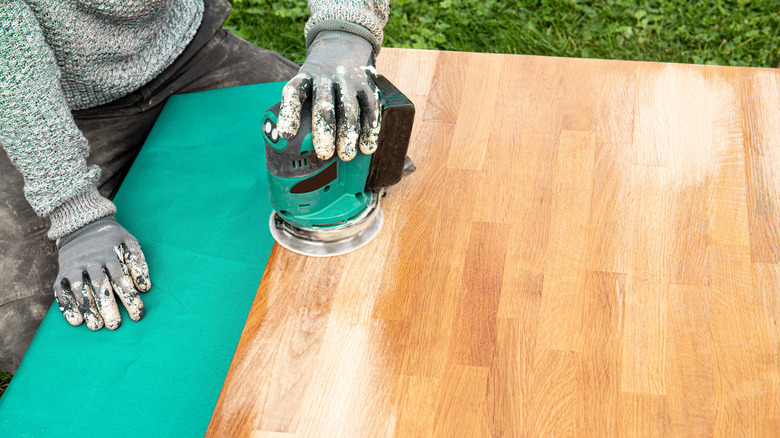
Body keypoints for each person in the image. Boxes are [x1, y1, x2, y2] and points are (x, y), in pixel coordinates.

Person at [0, 0, 389, 373]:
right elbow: (9, 54)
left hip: (185, 53)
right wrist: (75, 214)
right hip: (53, 104)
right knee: (36, 330)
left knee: (375, 155)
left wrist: (343, 36)